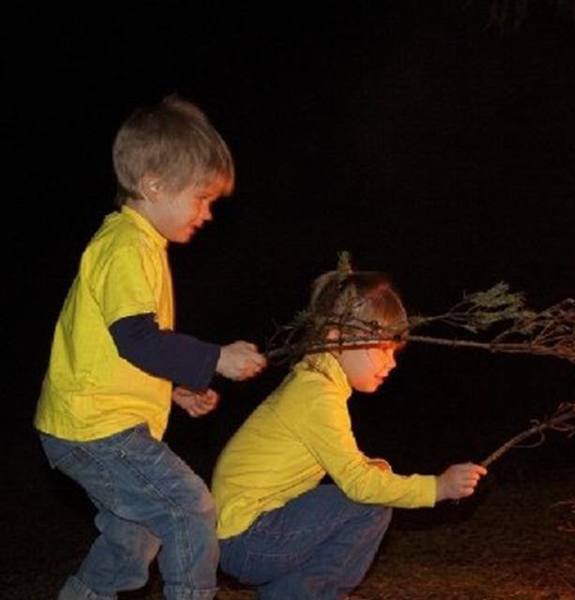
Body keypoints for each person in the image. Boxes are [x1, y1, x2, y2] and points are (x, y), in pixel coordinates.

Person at [34, 95, 267, 600]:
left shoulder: (137, 244)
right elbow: (137, 338)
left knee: (135, 533)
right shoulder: (125, 246)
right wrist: (215, 359)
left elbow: (125, 351)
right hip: (96, 427)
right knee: (189, 508)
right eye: (201, 199)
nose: (206, 214)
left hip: (91, 423)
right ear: (154, 185)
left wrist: (175, 390)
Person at [212, 266, 487, 599]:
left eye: (394, 351)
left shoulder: (313, 385)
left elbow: (345, 463)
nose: (392, 362)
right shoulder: (317, 396)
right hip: (250, 539)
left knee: (363, 498)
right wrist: (437, 487)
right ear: (335, 339)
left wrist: (368, 468)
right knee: (368, 505)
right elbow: (359, 485)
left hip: (248, 534)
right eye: (382, 348)